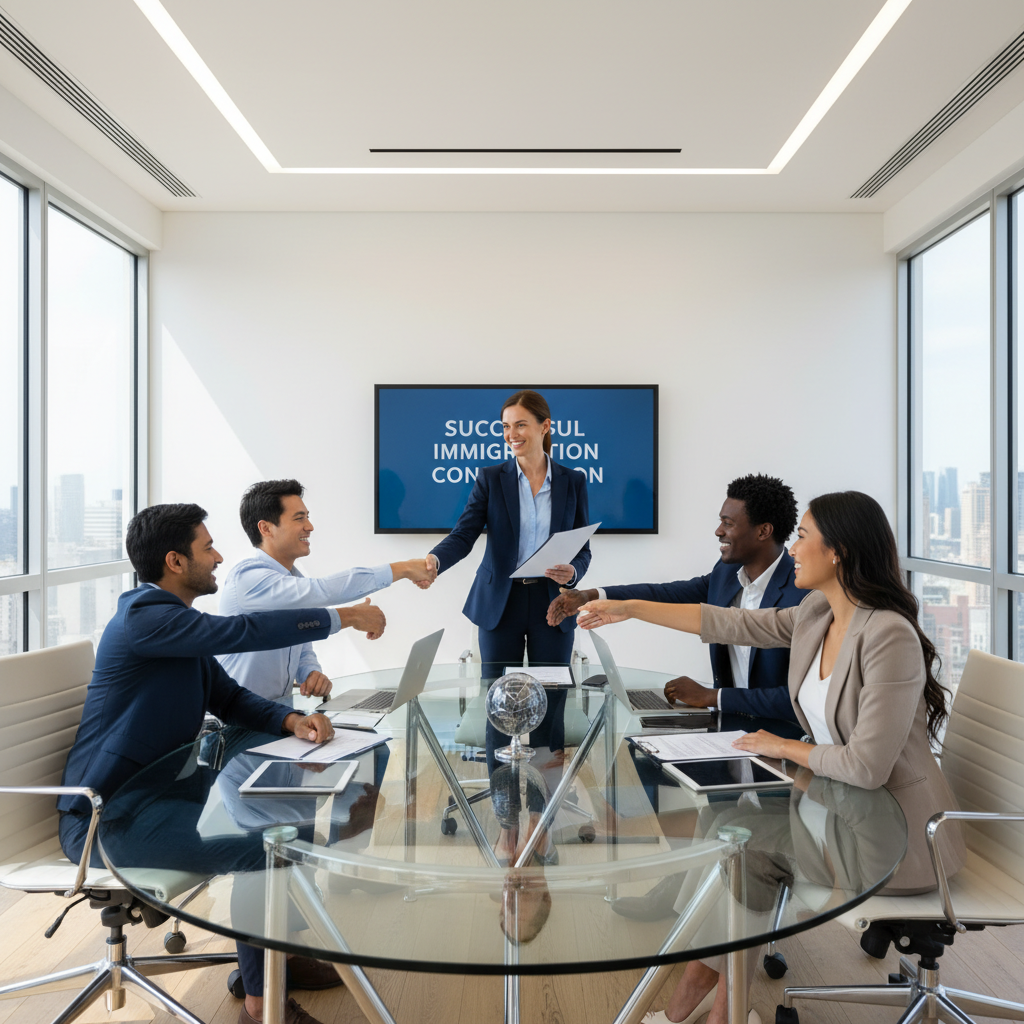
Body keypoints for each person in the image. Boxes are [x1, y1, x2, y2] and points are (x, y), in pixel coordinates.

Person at [578, 491, 965, 1024]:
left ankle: (708, 1006)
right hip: (838, 808)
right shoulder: (817, 613)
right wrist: (627, 608)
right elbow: (727, 623)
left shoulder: (888, 636)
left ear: (839, 553)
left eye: (804, 536)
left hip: (896, 837)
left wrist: (781, 747)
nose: (795, 548)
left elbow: (867, 766)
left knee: (744, 846)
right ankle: (711, 1001)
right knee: (729, 827)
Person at [58, 503, 355, 1024]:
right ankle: (264, 1004)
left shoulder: (175, 624)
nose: (219, 557)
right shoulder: (144, 618)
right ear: (175, 561)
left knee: (295, 824)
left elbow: (231, 697)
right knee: (265, 850)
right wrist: (340, 617)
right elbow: (242, 632)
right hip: (112, 816)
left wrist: (291, 722)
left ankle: (274, 960)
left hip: (167, 793)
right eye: (207, 547)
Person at [548, 473, 802, 722]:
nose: (718, 531)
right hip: (729, 725)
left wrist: (714, 697)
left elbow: (800, 699)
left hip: (782, 733)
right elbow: (668, 593)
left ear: (763, 531)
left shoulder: (803, 593)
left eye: (728, 523)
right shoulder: (726, 573)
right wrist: (591, 594)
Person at [426, 388, 592, 684]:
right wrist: (435, 560)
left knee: (552, 698)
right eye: (505, 426)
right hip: (499, 602)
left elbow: (582, 550)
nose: (511, 434)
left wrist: (573, 573)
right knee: (499, 700)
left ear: (545, 426)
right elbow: (464, 534)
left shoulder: (573, 481)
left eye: (520, 424)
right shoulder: (490, 479)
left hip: (552, 601)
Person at [219, 478, 435, 705]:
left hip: (275, 719)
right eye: (299, 518)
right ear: (265, 528)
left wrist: (310, 672)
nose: (310, 526)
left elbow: (300, 644)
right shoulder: (248, 578)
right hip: (237, 726)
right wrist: (403, 568)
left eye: (307, 516)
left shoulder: (293, 577)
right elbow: (321, 590)